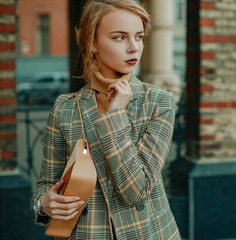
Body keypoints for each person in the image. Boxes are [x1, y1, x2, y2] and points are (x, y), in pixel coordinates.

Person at [33, 0, 181, 239]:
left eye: (139, 36)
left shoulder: (158, 102)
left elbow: (136, 192)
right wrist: (43, 204)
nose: (134, 47)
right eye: (119, 37)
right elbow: (47, 183)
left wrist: (114, 116)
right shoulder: (65, 108)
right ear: (93, 42)